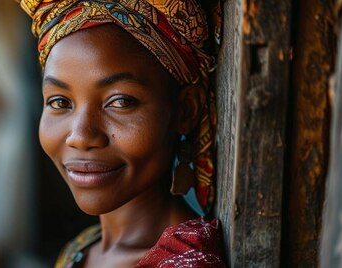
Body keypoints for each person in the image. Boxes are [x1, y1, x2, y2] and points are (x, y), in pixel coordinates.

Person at [17, 0, 226, 267]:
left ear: (185, 110)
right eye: (60, 102)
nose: (80, 136)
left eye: (121, 102)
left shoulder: (187, 262)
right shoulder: (82, 248)